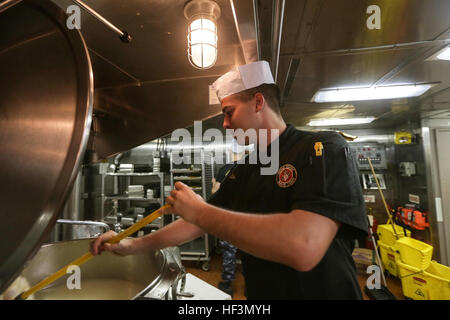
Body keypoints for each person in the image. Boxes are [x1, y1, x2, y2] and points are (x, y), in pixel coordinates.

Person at [90, 60, 368, 299]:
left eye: (229, 111)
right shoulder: (245, 169)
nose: (224, 124)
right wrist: (131, 246)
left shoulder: (322, 148)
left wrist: (200, 210)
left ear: (258, 102)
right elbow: (194, 225)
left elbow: (304, 246)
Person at [211, 163, 238, 296]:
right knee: (251, 250)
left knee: (229, 251)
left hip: (229, 217)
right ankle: (249, 286)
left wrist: (214, 183)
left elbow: (215, 192)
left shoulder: (224, 169)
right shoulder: (251, 168)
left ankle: (227, 285)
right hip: (249, 216)